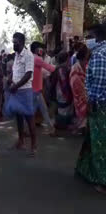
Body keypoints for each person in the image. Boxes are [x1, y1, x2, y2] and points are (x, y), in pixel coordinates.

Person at [76, 23, 106, 194]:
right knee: (92, 140)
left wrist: (91, 102)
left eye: (89, 36)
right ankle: (87, 171)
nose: (87, 40)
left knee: (100, 143)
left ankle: (102, 180)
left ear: (98, 36)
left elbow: (100, 81)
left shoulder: (100, 54)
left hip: (99, 105)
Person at [6, 32, 36, 156]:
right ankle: (21, 141)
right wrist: (10, 78)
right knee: (18, 117)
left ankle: (34, 146)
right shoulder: (17, 55)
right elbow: (16, 70)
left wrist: (16, 86)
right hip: (16, 90)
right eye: (13, 42)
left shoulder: (28, 55)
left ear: (22, 43)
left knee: (29, 118)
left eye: (16, 43)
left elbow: (28, 74)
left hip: (24, 91)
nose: (14, 45)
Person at [30, 42, 56, 135]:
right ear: (37, 49)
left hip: (33, 89)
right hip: (35, 90)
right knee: (40, 110)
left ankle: (50, 128)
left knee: (39, 109)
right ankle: (50, 128)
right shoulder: (37, 59)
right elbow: (50, 68)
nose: (43, 50)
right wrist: (60, 66)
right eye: (41, 49)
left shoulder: (30, 58)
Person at [51, 52, 74, 129]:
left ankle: (61, 123)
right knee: (64, 109)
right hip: (64, 91)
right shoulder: (67, 69)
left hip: (59, 91)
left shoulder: (57, 68)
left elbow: (53, 82)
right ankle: (62, 124)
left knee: (62, 108)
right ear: (67, 59)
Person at [70, 45, 89, 132]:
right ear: (83, 57)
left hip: (84, 95)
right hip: (79, 96)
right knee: (82, 114)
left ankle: (82, 127)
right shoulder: (75, 69)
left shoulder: (84, 66)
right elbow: (75, 86)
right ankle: (82, 128)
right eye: (86, 58)